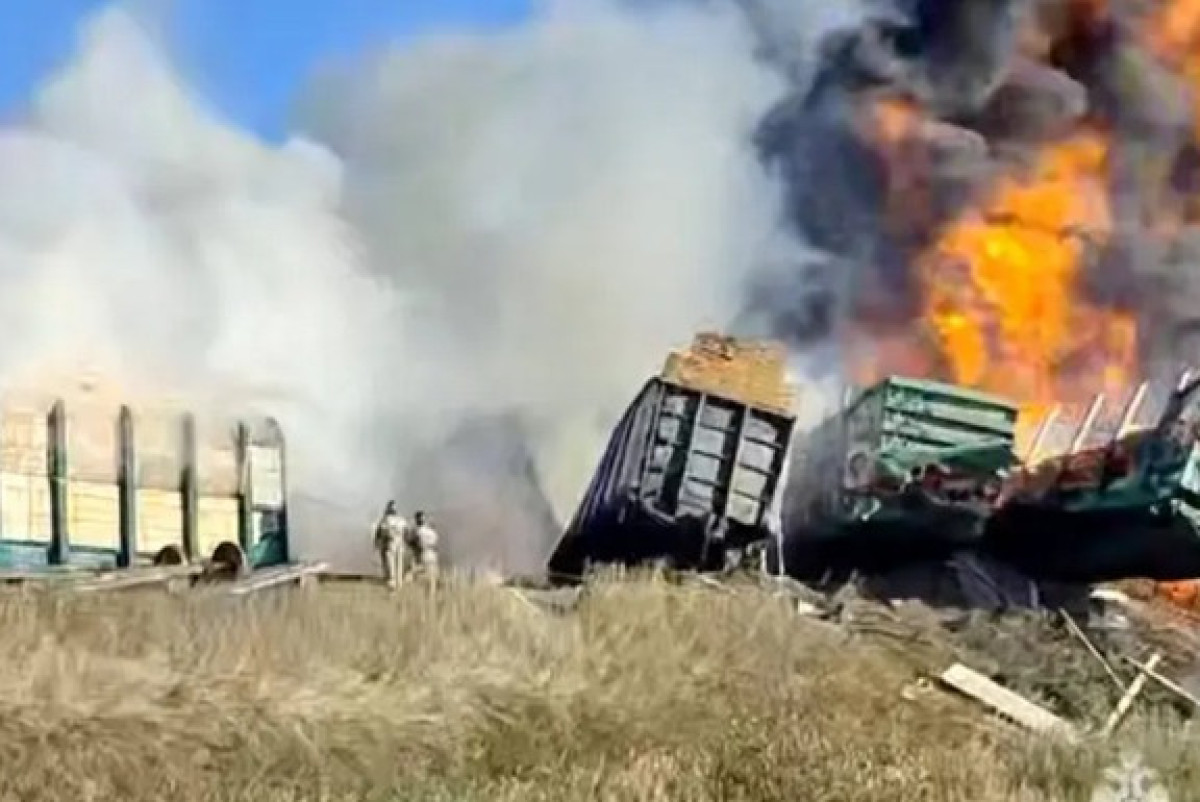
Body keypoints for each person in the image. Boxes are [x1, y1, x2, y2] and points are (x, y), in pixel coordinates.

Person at [373, 501, 406, 589]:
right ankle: (398, 581)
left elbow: (380, 532)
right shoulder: (401, 519)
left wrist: (377, 543)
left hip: (391, 542)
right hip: (399, 542)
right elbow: (406, 531)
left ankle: (392, 580)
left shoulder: (385, 519)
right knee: (398, 562)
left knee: (390, 562)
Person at [406, 510, 440, 588]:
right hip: (433, 555)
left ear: (417, 520)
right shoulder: (431, 530)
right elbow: (436, 543)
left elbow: (411, 543)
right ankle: (431, 593)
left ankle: (405, 586)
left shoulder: (417, 531)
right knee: (432, 578)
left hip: (422, 555)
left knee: (411, 573)